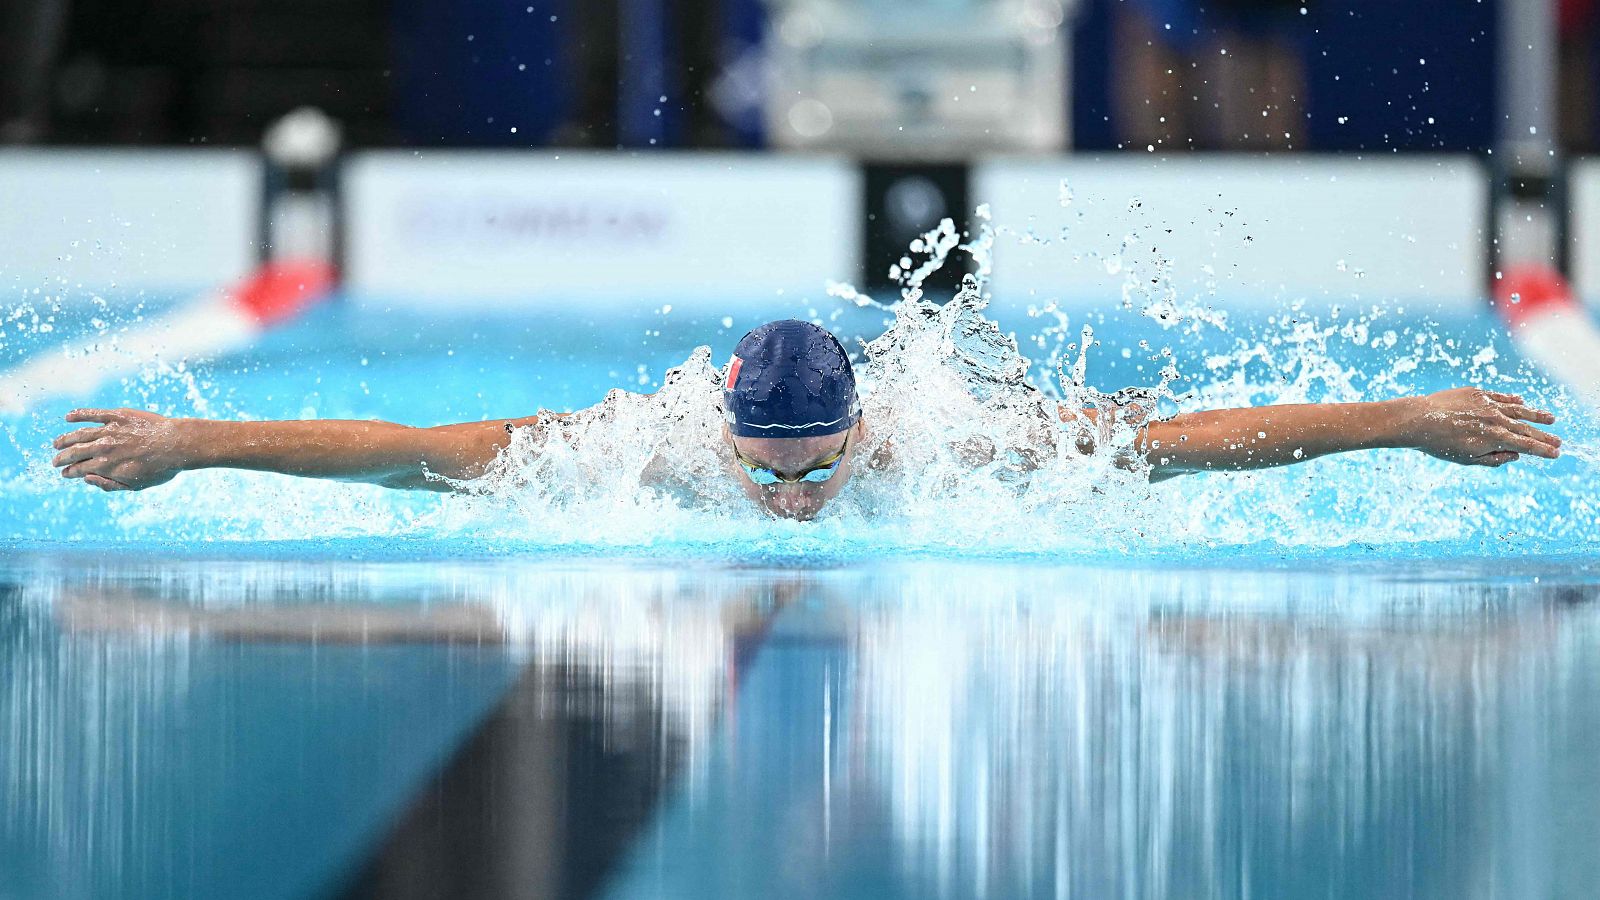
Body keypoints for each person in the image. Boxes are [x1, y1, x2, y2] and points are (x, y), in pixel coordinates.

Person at [49, 319, 1562, 522]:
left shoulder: (925, 440)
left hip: (962, 414)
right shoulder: (632, 445)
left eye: (816, 471)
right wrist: (188, 443)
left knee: (1096, 435)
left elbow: (1205, 442)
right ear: (723, 431)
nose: (791, 502)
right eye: (767, 473)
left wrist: (1409, 417)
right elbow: (398, 454)